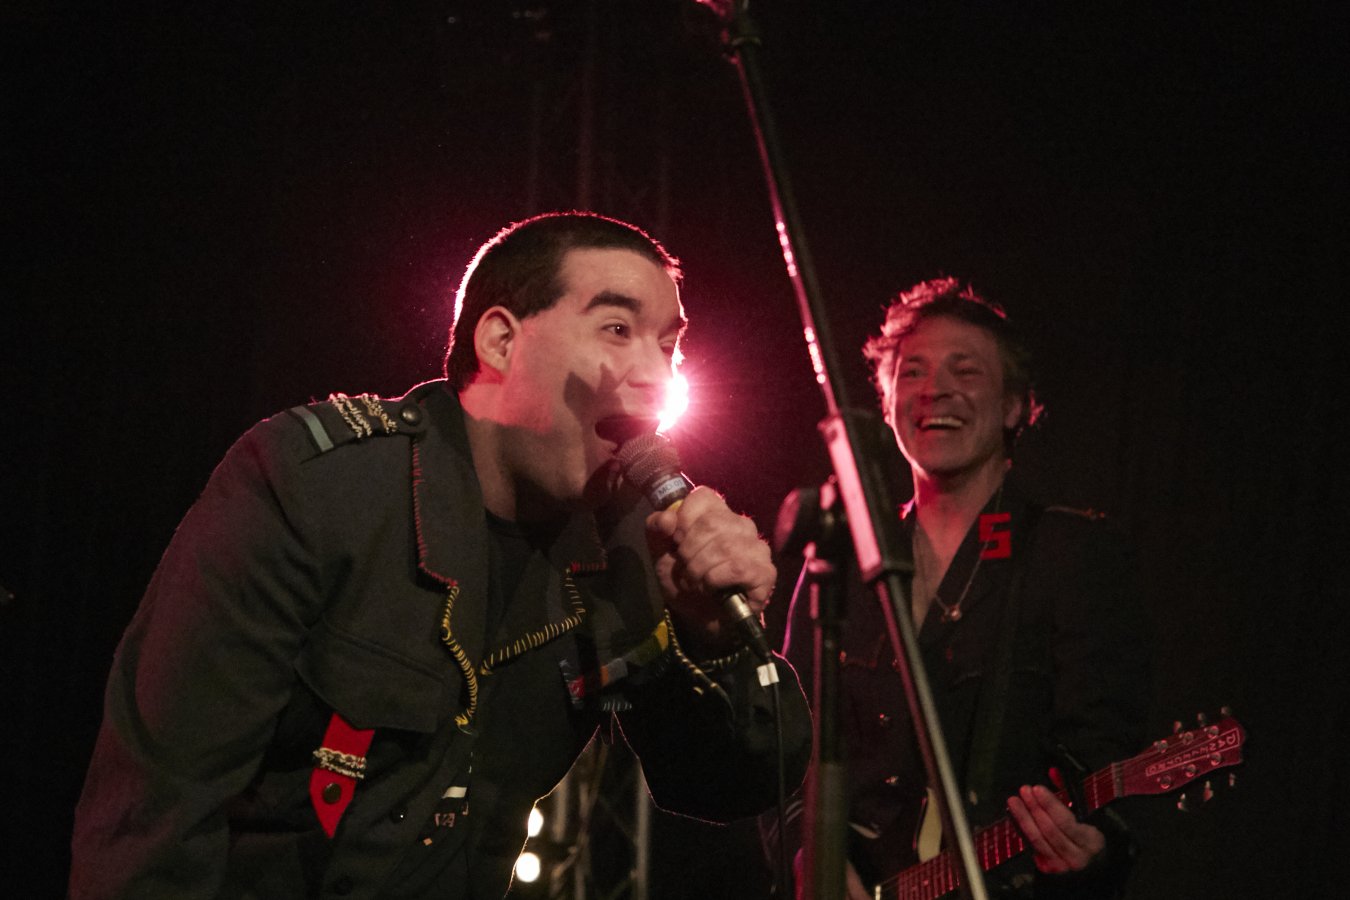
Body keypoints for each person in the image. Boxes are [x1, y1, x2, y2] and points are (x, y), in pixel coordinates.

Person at [70, 212, 812, 899]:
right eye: (617, 328)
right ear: (500, 343)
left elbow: (727, 784)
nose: (657, 374)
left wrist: (713, 636)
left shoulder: (625, 542)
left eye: (669, 344)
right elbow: (157, 820)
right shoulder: (319, 489)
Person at [768, 278, 1150, 898]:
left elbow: (1105, 758)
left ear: (1014, 407)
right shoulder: (841, 563)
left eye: (964, 370)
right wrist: (809, 855)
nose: (934, 389)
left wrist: (1093, 846)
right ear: (888, 404)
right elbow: (787, 754)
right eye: (913, 372)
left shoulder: (1070, 554)